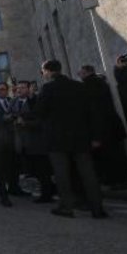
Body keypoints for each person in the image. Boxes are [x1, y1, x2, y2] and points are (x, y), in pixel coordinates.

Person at [36, 60, 107, 218]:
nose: (43, 74)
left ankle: (67, 207)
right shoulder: (79, 86)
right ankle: (97, 208)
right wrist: (96, 136)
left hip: (57, 139)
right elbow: (92, 113)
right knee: (88, 173)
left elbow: (39, 112)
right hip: (81, 137)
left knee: (62, 174)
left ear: (48, 71)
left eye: (43, 71)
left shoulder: (48, 88)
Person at [78, 65, 127, 189]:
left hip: (102, 128)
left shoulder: (88, 86)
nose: (79, 75)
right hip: (111, 125)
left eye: (81, 72)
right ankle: (122, 179)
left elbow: (94, 110)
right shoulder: (101, 84)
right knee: (117, 154)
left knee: (108, 157)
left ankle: (115, 180)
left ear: (87, 72)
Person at [11, 80, 54, 202]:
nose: (19, 90)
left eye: (23, 87)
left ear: (29, 89)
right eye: (18, 88)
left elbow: (41, 120)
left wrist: (25, 123)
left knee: (43, 170)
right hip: (22, 142)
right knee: (33, 169)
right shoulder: (14, 101)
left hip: (37, 141)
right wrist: (12, 118)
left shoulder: (36, 101)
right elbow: (7, 115)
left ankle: (47, 194)